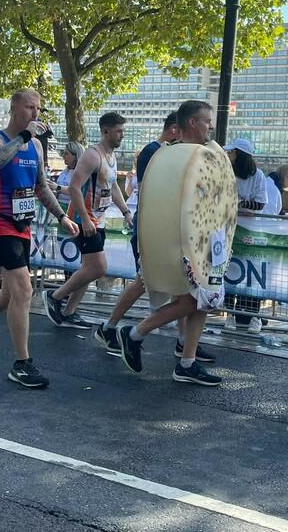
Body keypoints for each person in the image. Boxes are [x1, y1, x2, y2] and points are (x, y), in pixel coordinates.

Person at [0, 88, 78, 388]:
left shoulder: (36, 148)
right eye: (30, 107)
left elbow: (42, 187)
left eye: (38, 109)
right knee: (24, 289)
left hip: (23, 226)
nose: (35, 114)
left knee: (11, 293)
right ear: (14, 109)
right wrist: (22, 138)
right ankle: (22, 363)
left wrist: (62, 216)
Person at [93, 112, 215, 363]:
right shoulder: (155, 153)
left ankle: (182, 343)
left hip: (165, 228)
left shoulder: (169, 152)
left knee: (180, 288)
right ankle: (111, 327)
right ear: (174, 130)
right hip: (154, 228)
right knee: (145, 281)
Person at [116, 100, 223, 386]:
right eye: (205, 121)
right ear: (192, 123)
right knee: (192, 300)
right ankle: (137, 332)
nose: (210, 126)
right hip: (188, 243)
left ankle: (187, 362)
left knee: (203, 301)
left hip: (203, 242)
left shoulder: (180, 156)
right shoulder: (184, 158)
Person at [42, 112, 133, 328]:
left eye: (123, 131)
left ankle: (69, 312)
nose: (122, 135)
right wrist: (84, 219)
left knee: (88, 268)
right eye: (119, 131)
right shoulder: (93, 155)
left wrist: (126, 212)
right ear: (105, 131)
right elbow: (74, 187)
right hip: (84, 219)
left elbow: (112, 187)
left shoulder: (111, 157)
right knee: (98, 267)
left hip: (98, 219)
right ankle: (55, 297)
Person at [223, 139, 268, 334]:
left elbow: (260, 204)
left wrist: (239, 203)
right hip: (228, 228)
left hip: (248, 230)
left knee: (249, 273)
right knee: (228, 271)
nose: (228, 155)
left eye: (231, 152)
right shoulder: (225, 172)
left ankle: (252, 315)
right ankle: (229, 313)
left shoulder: (257, 176)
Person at [53, 141, 84, 207]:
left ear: (75, 156)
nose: (63, 156)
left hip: (72, 208)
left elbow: (76, 191)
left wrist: (57, 187)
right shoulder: (64, 172)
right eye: (63, 153)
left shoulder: (82, 173)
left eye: (66, 154)